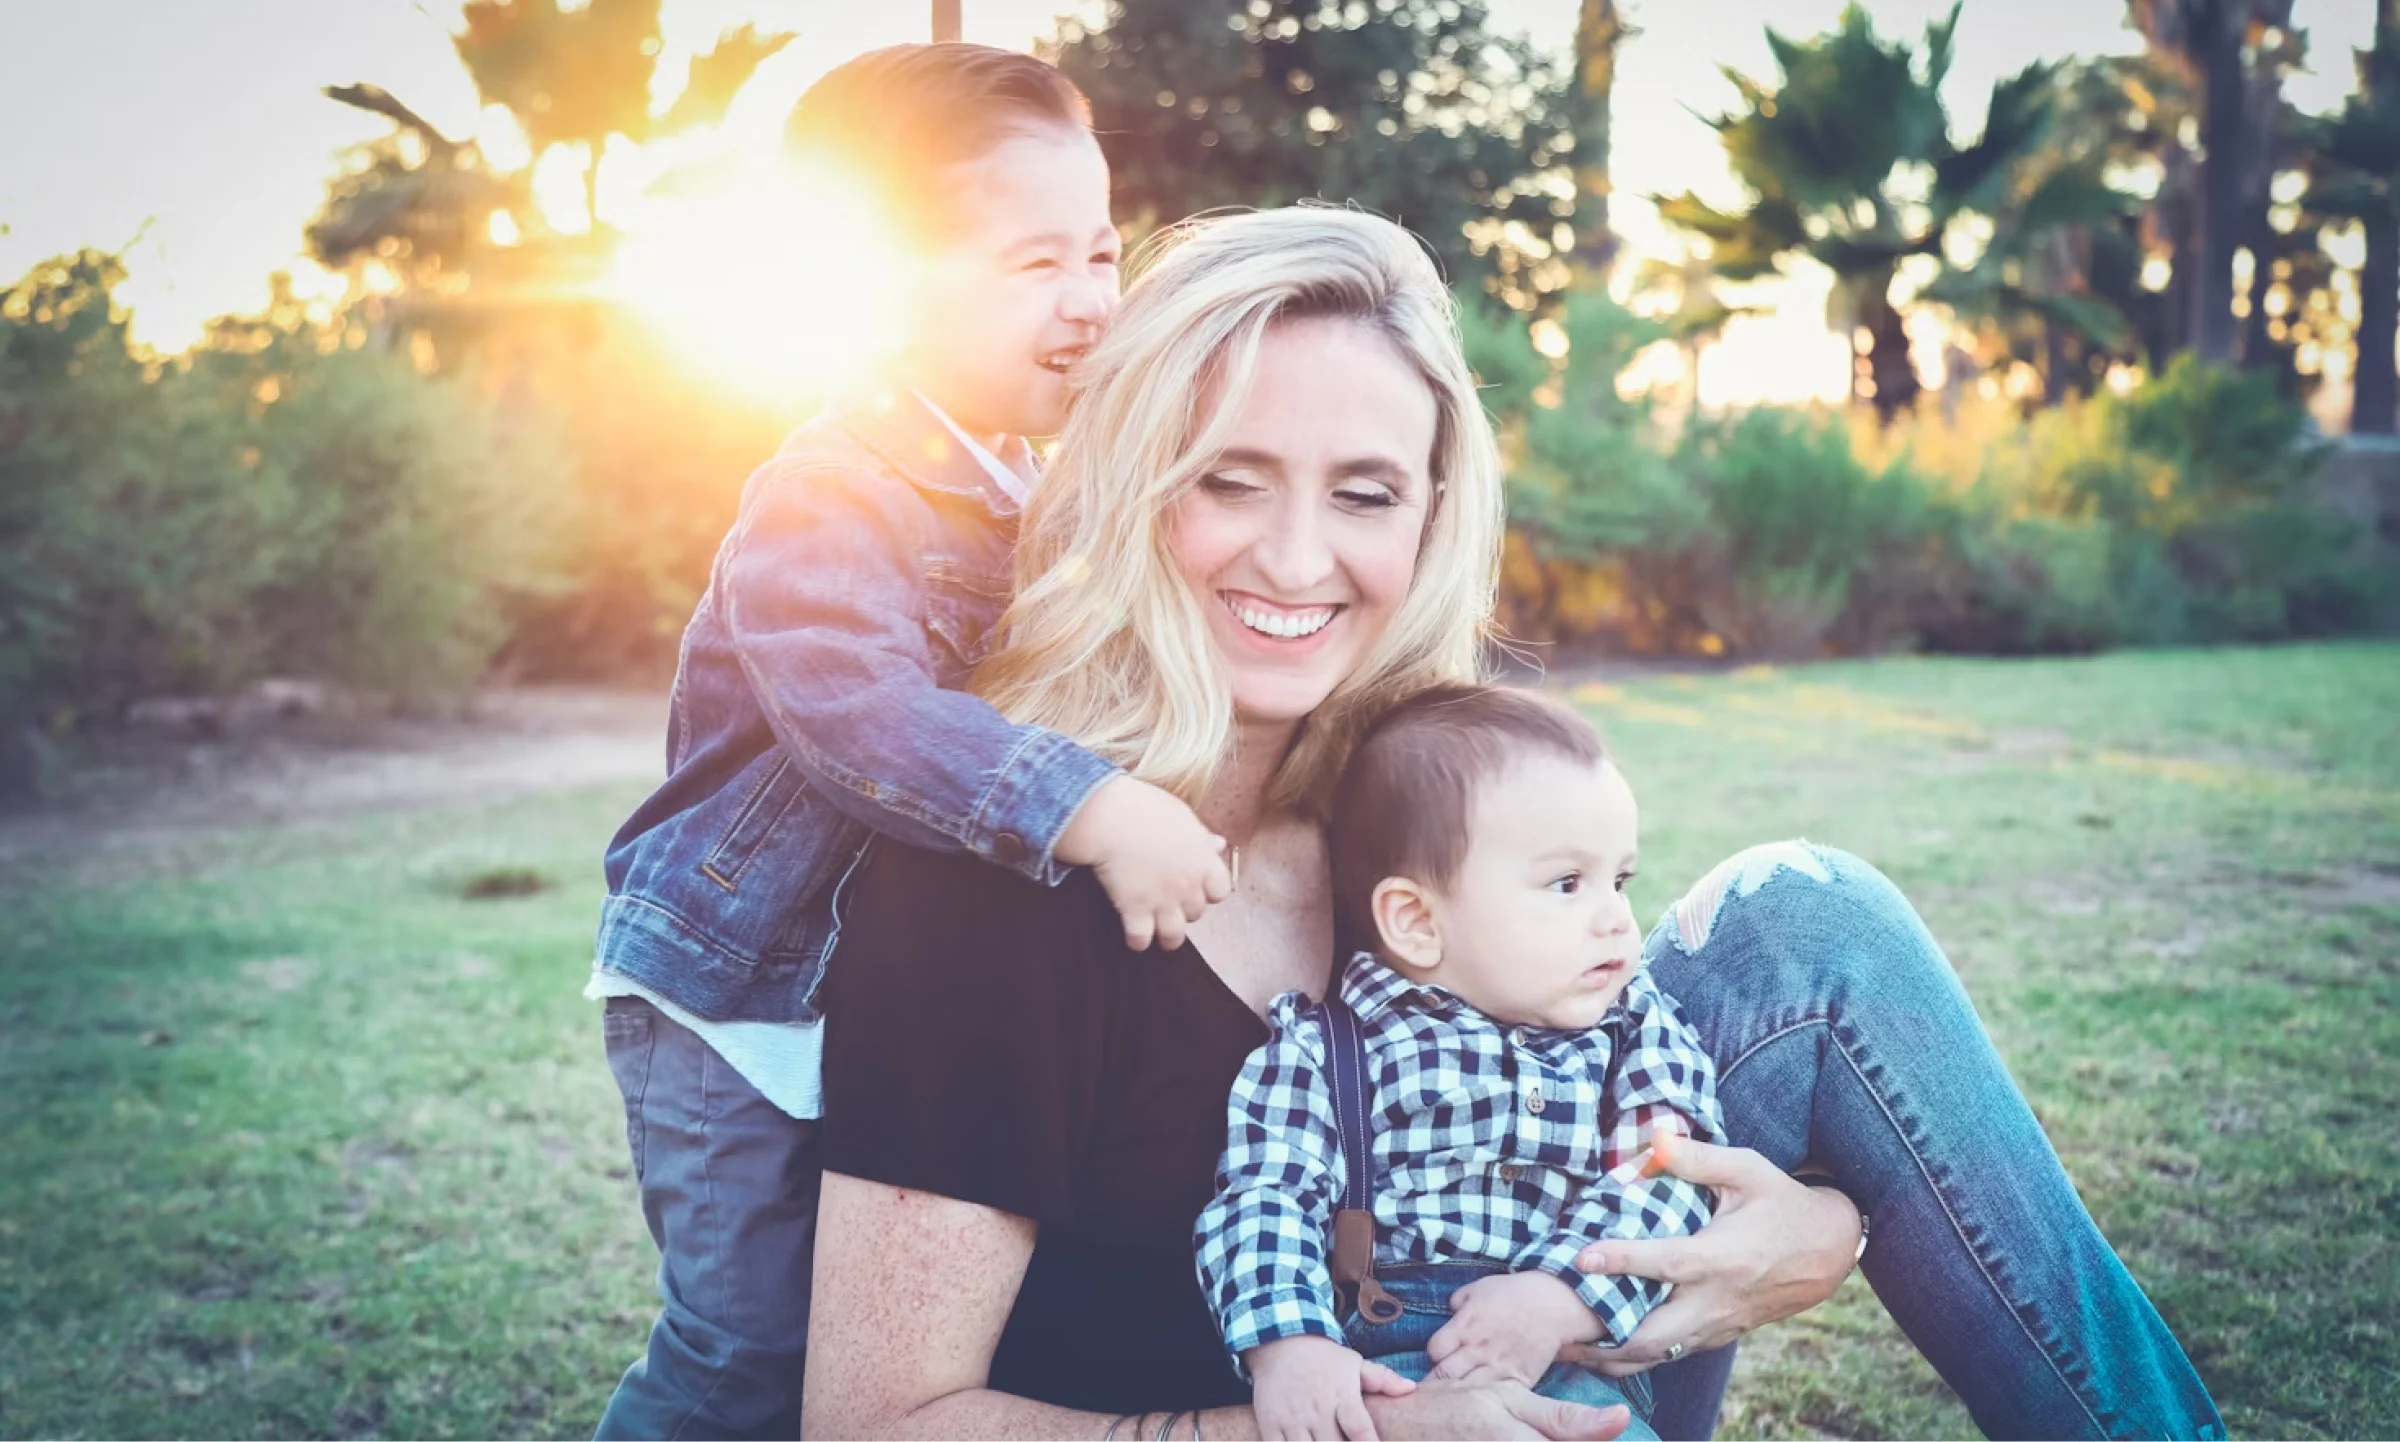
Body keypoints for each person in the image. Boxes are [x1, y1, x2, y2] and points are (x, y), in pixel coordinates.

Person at [805, 205, 2225, 1441]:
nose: (1299, 557)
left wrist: (1826, 1232)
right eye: (1228, 479)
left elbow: (1616, 1093)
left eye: (1363, 493)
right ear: (1129, 481)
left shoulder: (1414, 791)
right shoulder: (991, 886)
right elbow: (876, 1422)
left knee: (1810, 917)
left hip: (1540, 1353)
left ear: (1428, 516)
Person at [585, 44, 1234, 1440]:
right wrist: (1092, 807)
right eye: (1034, 265)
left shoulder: (1025, 482)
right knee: (749, 1351)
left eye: (1103, 252)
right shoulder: (830, 489)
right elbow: (858, 714)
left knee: (871, 1327)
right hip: (734, 997)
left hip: (864, 994)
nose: (1090, 301)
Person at [1200, 685, 1724, 1442]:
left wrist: (1559, 1293)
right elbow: (1265, 1196)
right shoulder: (1329, 1046)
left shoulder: (1636, 1026)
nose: (1615, 915)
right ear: (1415, 921)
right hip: (1382, 1365)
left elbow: (1672, 1168)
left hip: (1570, 1354)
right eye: (1567, 884)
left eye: (1621, 881)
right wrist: (1292, 1343)